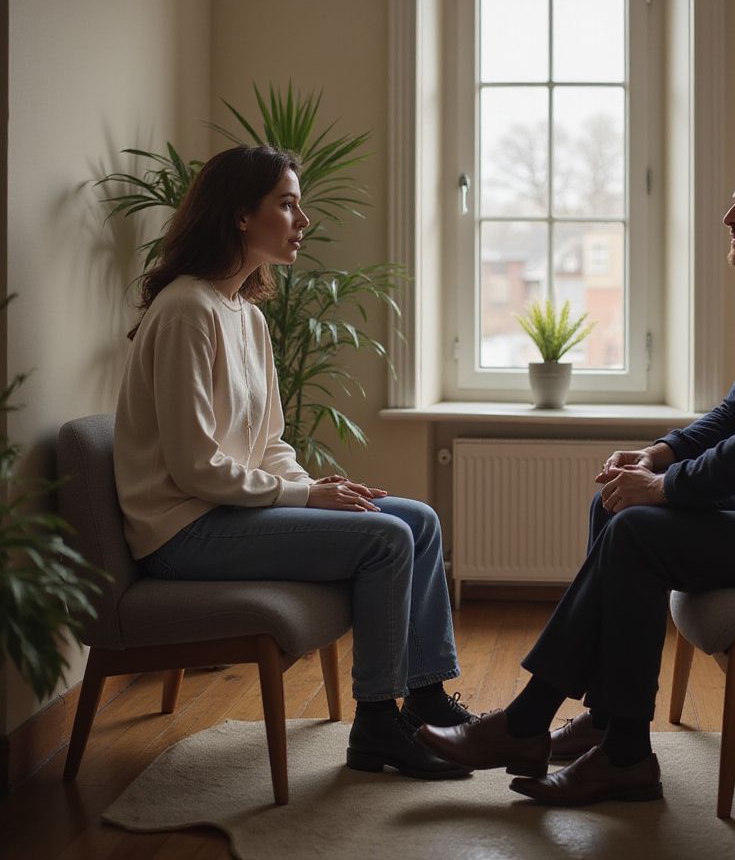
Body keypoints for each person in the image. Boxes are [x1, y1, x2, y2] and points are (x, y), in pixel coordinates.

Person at [417, 143, 735, 806]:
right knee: (614, 507)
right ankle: (607, 722)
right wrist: (657, 455)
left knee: (638, 531)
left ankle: (572, 738)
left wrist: (664, 488)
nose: (729, 217)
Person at [113, 144, 472, 780]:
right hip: (183, 531)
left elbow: (270, 442)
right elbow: (194, 467)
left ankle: (425, 697)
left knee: (418, 519)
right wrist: (306, 500)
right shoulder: (186, 310)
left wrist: (315, 489)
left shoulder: (246, 316)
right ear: (240, 215)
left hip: (227, 514)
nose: (302, 221)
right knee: (387, 538)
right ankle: (377, 725)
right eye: (286, 205)